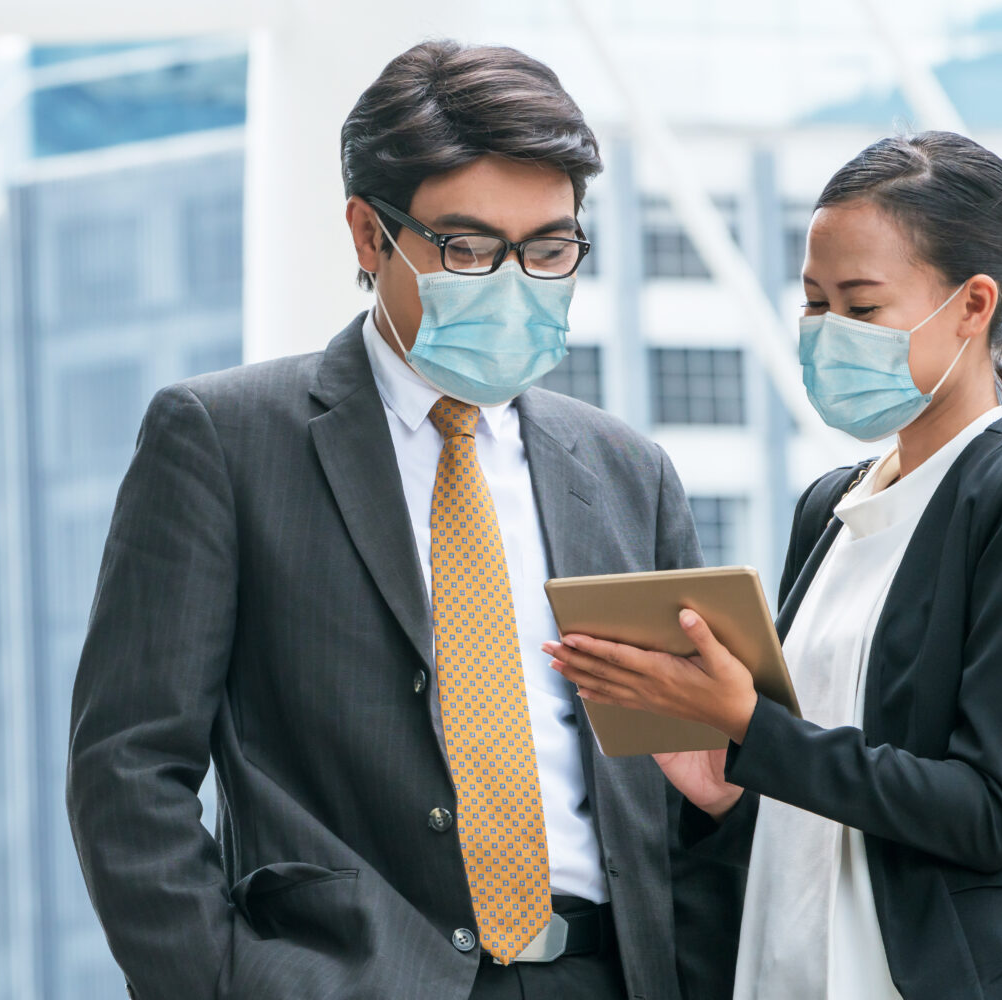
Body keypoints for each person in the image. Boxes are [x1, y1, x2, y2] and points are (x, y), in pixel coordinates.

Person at [67, 40, 750, 1000]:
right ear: (366, 234)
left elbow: (696, 785)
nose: (514, 282)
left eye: (550, 249)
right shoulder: (223, 441)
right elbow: (127, 770)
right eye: (467, 247)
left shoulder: (628, 473)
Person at [547, 130, 1002, 1000]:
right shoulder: (830, 506)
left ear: (975, 305)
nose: (827, 335)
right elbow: (821, 799)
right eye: (814, 303)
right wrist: (725, 785)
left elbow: (987, 813)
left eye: (861, 308)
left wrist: (756, 730)